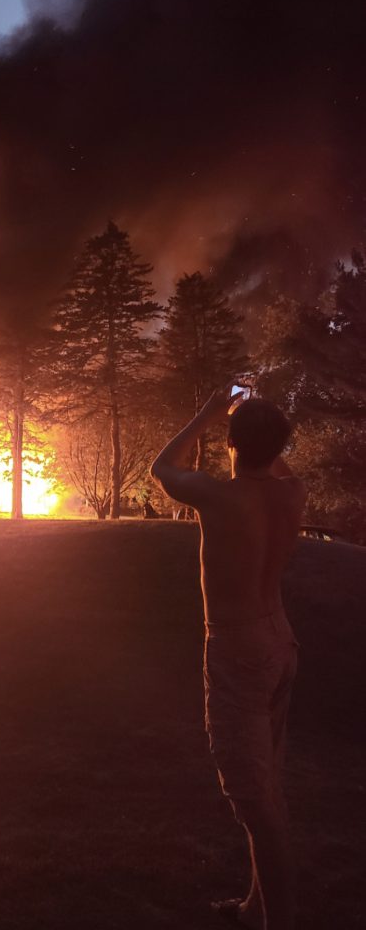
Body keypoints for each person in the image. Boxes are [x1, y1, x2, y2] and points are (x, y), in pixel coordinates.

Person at [150, 387, 305, 930]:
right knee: (269, 787)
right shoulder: (293, 494)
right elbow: (271, 461)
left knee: (255, 804)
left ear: (233, 445)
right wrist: (254, 425)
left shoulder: (218, 497)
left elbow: (161, 466)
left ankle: (277, 923)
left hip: (239, 650)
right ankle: (255, 906)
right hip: (280, 642)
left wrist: (208, 414)